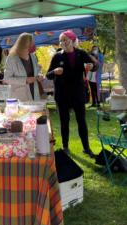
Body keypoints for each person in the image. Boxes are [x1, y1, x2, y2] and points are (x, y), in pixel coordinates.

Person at [46, 30, 98, 158]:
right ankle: (65, 147)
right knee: (64, 122)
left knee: (82, 121)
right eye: (61, 40)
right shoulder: (57, 56)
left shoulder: (81, 54)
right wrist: (55, 72)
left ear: (72, 40)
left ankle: (86, 148)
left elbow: (96, 64)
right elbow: (48, 75)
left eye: (66, 40)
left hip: (77, 93)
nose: (63, 43)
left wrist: (91, 67)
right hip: (62, 95)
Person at [4, 32, 44, 102]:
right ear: (24, 44)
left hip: (34, 93)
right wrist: (25, 80)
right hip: (20, 95)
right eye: (31, 43)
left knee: (36, 112)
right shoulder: (11, 58)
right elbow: (7, 79)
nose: (33, 45)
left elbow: (35, 72)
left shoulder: (33, 56)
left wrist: (39, 76)